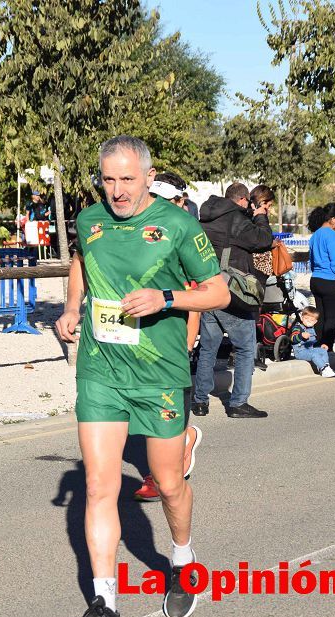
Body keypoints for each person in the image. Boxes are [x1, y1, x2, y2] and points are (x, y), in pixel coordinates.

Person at [55, 135, 229, 617]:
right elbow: (81, 263)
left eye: (127, 179)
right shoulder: (89, 220)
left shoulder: (177, 225)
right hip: (101, 368)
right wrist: (71, 307)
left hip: (160, 375)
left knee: (168, 483)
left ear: (148, 177)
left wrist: (166, 298)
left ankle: (181, 558)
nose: (117, 190)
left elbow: (217, 290)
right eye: (108, 179)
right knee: (99, 486)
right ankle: (105, 607)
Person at [133, 171, 206, 503]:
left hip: (175, 336)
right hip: (138, 334)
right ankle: (185, 437)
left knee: (167, 407)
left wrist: (188, 343)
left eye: (168, 202)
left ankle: (159, 473)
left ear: (181, 202)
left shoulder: (185, 235)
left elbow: (196, 299)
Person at [193, 182, 274, 419]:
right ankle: (238, 402)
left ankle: (200, 401)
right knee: (246, 348)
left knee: (208, 348)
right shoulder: (235, 219)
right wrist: (260, 217)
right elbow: (262, 240)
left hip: (208, 287)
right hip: (232, 292)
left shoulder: (206, 217)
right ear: (241, 200)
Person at [307, 203, 335, 350]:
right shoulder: (332, 237)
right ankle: (327, 349)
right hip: (331, 281)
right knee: (331, 319)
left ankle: (318, 346)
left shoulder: (315, 235)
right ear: (332, 219)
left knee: (320, 317)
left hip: (316, 279)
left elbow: (312, 260)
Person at [290, 306, 335, 377]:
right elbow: (292, 338)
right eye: (306, 318)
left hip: (310, 349)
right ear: (302, 318)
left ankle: (326, 366)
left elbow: (313, 342)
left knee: (323, 351)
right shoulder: (298, 327)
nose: (308, 321)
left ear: (315, 322)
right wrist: (301, 335)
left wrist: (320, 345)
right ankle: (323, 368)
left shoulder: (311, 329)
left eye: (311, 320)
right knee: (314, 355)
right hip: (300, 352)